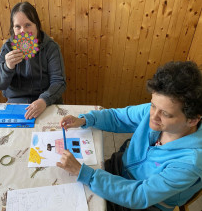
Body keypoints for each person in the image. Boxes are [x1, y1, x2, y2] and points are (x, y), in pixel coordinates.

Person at [57, 61, 202, 211]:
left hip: (147, 203)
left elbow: (140, 195)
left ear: (192, 120)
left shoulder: (190, 163)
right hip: (122, 167)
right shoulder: (155, 111)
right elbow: (117, 117)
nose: (153, 116)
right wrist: (86, 119)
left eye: (165, 114)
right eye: (153, 105)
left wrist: (87, 175)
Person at [0, 2, 66, 120]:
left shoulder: (51, 48)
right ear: (13, 29)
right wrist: (7, 67)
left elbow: (59, 82)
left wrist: (43, 100)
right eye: (17, 26)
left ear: (37, 25)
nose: (23, 31)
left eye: (28, 25)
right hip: (17, 104)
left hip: (47, 103)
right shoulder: (8, 47)